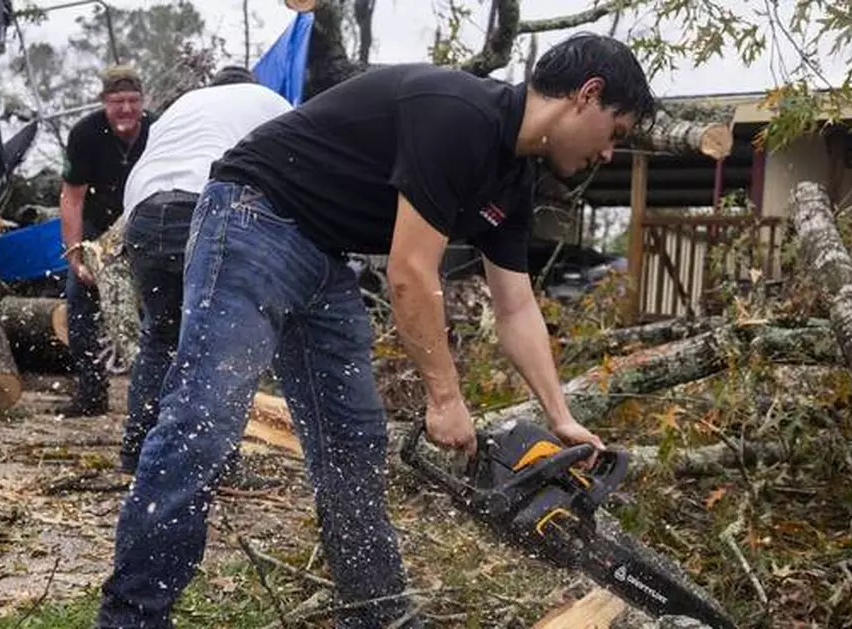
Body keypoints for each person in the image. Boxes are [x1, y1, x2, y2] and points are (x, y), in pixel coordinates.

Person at [95, 33, 658, 629]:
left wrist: (560, 414)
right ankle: (132, 616)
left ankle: (375, 613)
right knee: (204, 420)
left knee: (353, 445)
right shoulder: (460, 114)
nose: (607, 155)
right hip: (254, 215)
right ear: (587, 95)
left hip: (325, 253)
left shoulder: (512, 181)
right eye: (615, 133)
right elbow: (411, 273)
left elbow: (516, 307)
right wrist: (445, 399)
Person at [117, 66, 292, 486]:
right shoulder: (272, 103)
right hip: (202, 205)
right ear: (251, 87)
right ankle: (215, 462)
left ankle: (138, 452)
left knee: (160, 335)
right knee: (227, 339)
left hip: (142, 212)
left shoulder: (182, 106)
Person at [58, 65, 157, 417]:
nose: (126, 110)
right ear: (104, 102)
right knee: (80, 302)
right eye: (118, 101)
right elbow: (72, 197)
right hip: (98, 228)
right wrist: (75, 253)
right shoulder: (85, 133)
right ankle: (90, 391)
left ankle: (155, 391)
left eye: (133, 101)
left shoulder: (159, 130)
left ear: (143, 102)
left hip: (148, 225)